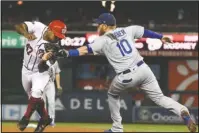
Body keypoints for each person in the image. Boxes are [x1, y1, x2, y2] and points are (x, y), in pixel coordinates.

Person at [60, 13, 197, 132]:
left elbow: (82, 50)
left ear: (105, 25)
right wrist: (161, 37)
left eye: (99, 24)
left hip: (127, 75)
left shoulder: (103, 40)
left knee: (112, 94)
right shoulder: (128, 30)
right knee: (160, 98)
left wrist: (66, 53)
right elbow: (145, 32)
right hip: (144, 69)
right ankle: (182, 111)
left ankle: (117, 128)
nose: (97, 27)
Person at [15, 20, 67, 132]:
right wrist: (26, 33)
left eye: (60, 37)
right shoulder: (38, 27)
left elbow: (42, 68)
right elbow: (18, 26)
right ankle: (45, 118)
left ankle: (25, 118)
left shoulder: (54, 48)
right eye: (57, 35)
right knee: (34, 100)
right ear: (49, 29)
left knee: (36, 93)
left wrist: (44, 60)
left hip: (41, 72)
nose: (58, 39)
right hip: (25, 70)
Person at [44, 60, 62, 126]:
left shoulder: (55, 62)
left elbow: (57, 73)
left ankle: (51, 120)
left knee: (51, 102)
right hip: (41, 83)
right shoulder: (41, 59)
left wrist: (58, 85)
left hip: (50, 83)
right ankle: (43, 120)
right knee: (42, 103)